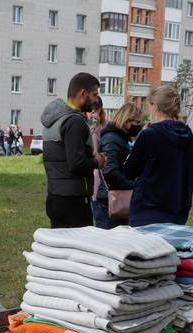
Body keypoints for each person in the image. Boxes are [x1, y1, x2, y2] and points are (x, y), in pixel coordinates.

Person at [123, 85, 193, 227]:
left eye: (149, 105)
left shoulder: (149, 135)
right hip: (178, 213)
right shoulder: (192, 139)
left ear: (155, 106)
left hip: (147, 213)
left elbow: (129, 171)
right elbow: (192, 175)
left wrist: (137, 143)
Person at [40, 72, 106, 228]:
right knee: (80, 250)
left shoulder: (55, 119)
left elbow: (63, 155)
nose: (96, 100)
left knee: (60, 249)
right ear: (83, 94)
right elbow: (76, 164)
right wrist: (97, 161)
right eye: (94, 95)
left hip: (55, 196)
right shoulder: (74, 122)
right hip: (73, 200)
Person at [96, 103, 142, 228]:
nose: (139, 126)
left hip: (114, 199)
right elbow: (110, 171)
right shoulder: (112, 138)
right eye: (137, 122)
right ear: (127, 121)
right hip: (110, 202)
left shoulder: (120, 138)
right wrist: (133, 186)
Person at [87, 97, 108, 226]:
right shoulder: (91, 127)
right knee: (97, 214)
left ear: (99, 110)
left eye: (94, 111)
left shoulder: (106, 128)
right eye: (90, 111)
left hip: (103, 177)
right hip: (94, 177)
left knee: (102, 219)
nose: (91, 115)